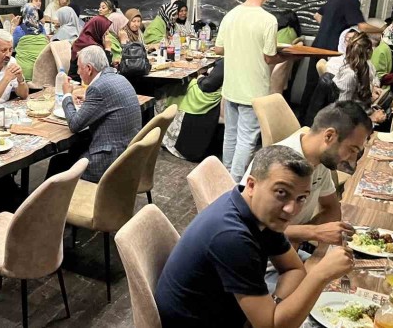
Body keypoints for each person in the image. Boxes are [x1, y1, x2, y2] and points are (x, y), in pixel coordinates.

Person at [155, 145, 354, 328]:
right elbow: (271, 326)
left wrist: (275, 303)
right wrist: (320, 275)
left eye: (301, 198)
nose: (291, 209)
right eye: (281, 192)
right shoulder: (232, 237)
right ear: (251, 185)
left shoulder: (259, 212)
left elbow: (293, 269)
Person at [243, 102, 370, 249]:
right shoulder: (278, 162)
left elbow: (332, 208)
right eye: (352, 149)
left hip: (290, 248)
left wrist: (303, 235)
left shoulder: (321, 161)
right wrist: (312, 232)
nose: (352, 159)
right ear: (329, 136)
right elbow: (250, 227)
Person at [214, 0, 288, 181]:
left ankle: (225, 177)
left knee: (231, 134)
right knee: (246, 139)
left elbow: (218, 49)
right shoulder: (268, 20)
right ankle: (235, 183)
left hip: (231, 88)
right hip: (253, 91)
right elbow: (269, 57)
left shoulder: (230, 15)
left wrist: (239, 47)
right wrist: (287, 57)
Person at [48, 46, 141, 182]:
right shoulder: (119, 78)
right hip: (129, 155)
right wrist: (89, 100)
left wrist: (67, 95)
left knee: (57, 163)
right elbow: (107, 101)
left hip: (109, 163)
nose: (77, 72)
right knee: (75, 149)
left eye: (79, 67)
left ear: (89, 69)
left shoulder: (97, 88)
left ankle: (52, 196)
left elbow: (74, 124)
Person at [301, 0, 382, 115]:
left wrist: (329, 27)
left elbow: (317, 16)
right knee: (328, 91)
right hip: (331, 49)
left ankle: (302, 120)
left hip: (317, 45)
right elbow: (362, 27)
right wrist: (384, 29)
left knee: (311, 86)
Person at [160, 60, 224, 162]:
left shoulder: (225, 62)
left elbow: (207, 85)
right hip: (219, 95)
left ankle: (160, 134)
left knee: (168, 90)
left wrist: (200, 78)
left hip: (205, 96)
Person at [332, 33, 385, 123]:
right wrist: (371, 118)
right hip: (354, 121)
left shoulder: (366, 67)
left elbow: (361, 101)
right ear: (368, 52)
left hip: (364, 111)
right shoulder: (349, 75)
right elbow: (343, 111)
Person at [69, 15, 113, 80]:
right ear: (98, 29)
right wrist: (108, 49)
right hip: (81, 81)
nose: (107, 34)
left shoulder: (83, 39)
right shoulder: (92, 47)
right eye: (106, 30)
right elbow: (104, 71)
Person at [13, 4, 49, 81]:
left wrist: (14, 26)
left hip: (23, 74)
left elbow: (11, 45)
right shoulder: (42, 29)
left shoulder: (19, 30)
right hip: (41, 73)